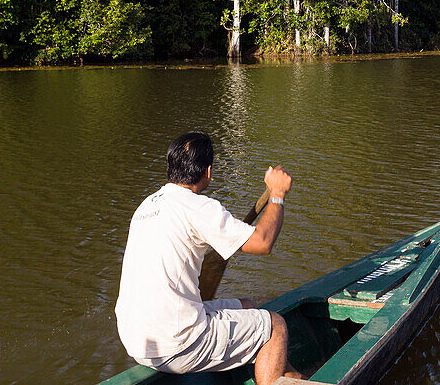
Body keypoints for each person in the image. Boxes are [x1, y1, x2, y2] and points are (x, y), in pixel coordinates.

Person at [116, 131, 301, 385]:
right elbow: (262, 242)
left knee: (248, 306)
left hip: (136, 341)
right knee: (276, 326)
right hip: (176, 343)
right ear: (209, 172)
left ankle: (293, 377)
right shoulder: (199, 207)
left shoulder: (146, 207)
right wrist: (277, 193)